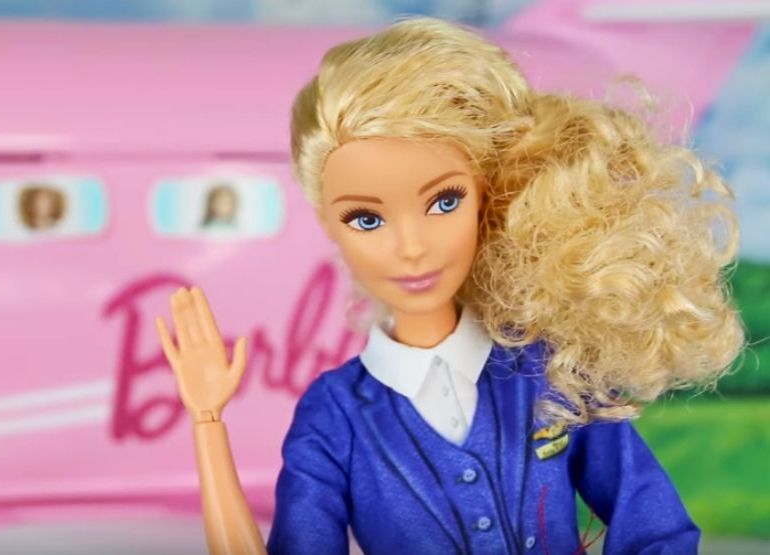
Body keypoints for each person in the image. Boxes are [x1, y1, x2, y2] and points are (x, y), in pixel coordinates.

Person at [155, 18, 742, 554]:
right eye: (367, 219)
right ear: (329, 226)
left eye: (443, 202)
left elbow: (654, 522)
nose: (411, 246)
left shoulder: (548, 371)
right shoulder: (336, 414)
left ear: (487, 197)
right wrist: (208, 422)